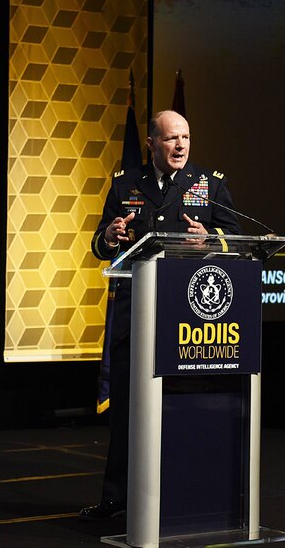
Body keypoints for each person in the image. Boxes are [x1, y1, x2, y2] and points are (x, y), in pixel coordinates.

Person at [79, 109, 241, 522]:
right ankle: (117, 499)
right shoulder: (126, 184)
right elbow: (100, 243)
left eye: (186, 137)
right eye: (171, 139)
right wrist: (109, 235)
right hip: (136, 307)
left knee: (181, 406)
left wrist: (210, 241)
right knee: (128, 408)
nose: (181, 146)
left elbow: (237, 240)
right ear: (151, 143)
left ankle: (185, 493)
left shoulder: (208, 184)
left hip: (187, 313)